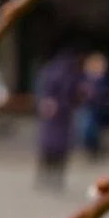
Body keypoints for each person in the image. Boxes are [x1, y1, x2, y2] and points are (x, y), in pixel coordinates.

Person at [35, 47, 83, 192]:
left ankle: (49, 176)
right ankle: (52, 176)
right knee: (55, 146)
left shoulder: (50, 70)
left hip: (60, 115)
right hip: (59, 114)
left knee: (52, 146)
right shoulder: (67, 73)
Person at [80, 51, 109, 161]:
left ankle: (95, 150)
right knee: (88, 129)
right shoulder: (85, 78)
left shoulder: (106, 79)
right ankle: (91, 150)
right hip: (89, 107)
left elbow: (108, 93)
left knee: (97, 131)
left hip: (102, 109)